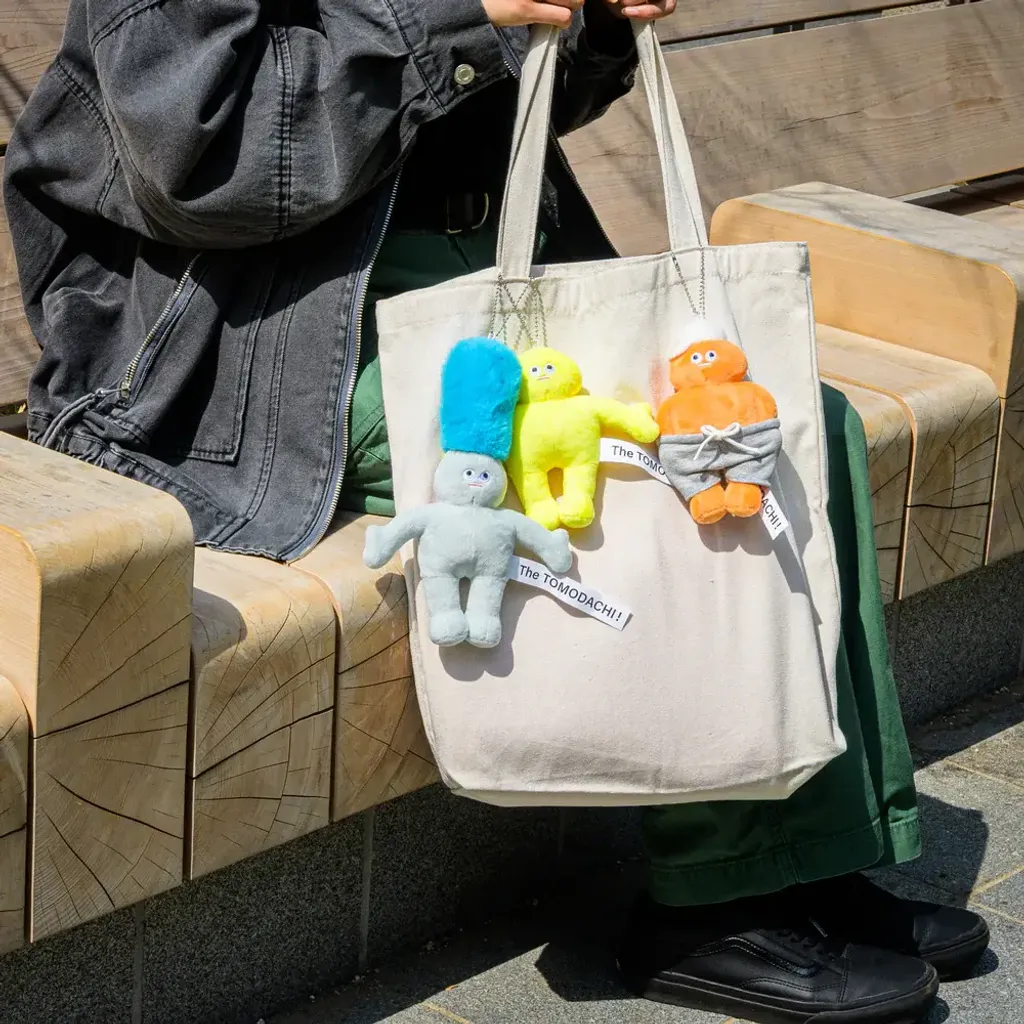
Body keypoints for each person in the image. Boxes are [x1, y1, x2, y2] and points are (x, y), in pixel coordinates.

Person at [3, 2, 989, 1022]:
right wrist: (465, 14)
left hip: (488, 277)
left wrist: (589, 24)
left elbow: (509, 106)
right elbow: (206, 163)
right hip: (258, 345)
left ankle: (811, 857)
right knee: (658, 461)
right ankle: (716, 906)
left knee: (782, 422)